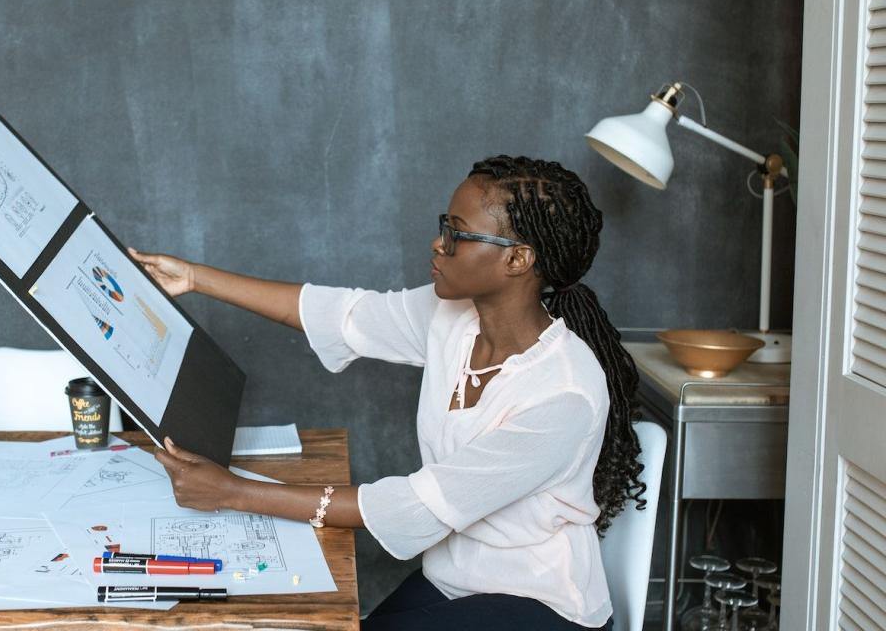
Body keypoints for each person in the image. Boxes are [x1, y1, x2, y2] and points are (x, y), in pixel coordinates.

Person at [129, 155, 644, 630]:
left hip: (538, 601)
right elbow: (341, 315)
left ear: (518, 260)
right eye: (444, 227)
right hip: (454, 578)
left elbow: (415, 507)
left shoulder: (562, 393)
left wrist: (233, 493)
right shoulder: (453, 317)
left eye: (457, 234)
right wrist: (195, 278)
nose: (438, 244)